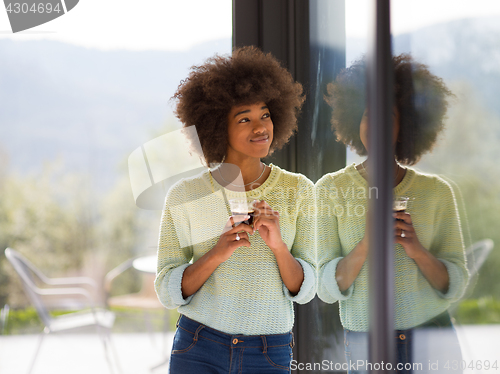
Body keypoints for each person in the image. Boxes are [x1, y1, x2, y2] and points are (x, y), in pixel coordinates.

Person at [155, 46, 316, 374]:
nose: (261, 127)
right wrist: (217, 252)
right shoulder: (184, 196)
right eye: (245, 118)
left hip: (268, 350)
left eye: (265, 114)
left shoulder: (299, 191)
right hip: (198, 344)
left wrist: (278, 246)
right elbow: (167, 288)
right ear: (216, 127)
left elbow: (306, 289)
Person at [316, 54, 469, 374]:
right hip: (366, 342)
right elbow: (327, 288)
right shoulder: (331, 189)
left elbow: (453, 284)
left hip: (432, 337)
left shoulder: (437, 192)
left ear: (407, 126)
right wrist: (366, 244)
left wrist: (415, 249)